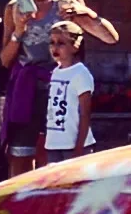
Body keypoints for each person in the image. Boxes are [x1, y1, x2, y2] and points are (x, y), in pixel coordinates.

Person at [0, 0, 117, 175]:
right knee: (20, 156)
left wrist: (84, 14)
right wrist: (19, 30)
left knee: (53, 157)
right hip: (27, 87)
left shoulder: (64, 3)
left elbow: (111, 37)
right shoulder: (14, 7)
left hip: (60, 86)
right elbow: (4, 60)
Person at [39, 20, 97, 164]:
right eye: (52, 43)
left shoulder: (80, 74)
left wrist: (79, 148)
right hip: (54, 144)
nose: (55, 47)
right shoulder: (55, 73)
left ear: (75, 46)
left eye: (61, 43)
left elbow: (85, 113)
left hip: (74, 145)